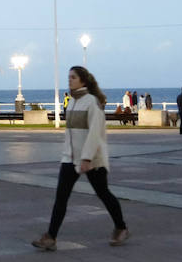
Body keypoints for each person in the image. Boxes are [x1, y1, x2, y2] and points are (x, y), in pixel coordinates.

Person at [32, 66, 128, 251]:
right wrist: (67, 154)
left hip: (92, 159)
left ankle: (121, 227)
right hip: (70, 159)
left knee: (103, 193)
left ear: (83, 81)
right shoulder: (72, 103)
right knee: (61, 197)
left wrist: (86, 158)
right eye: (69, 77)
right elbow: (70, 134)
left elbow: (94, 134)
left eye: (73, 77)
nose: (69, 80)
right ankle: (50, 237)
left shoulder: (92, 103)